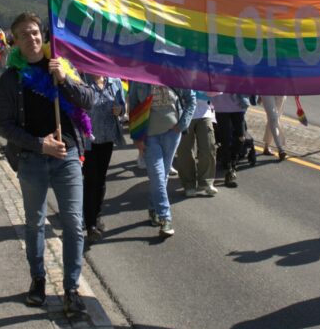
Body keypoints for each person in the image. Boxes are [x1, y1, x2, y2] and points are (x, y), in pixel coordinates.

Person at [0, 12, 94, 316]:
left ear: (43, 35)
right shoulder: (9, 79)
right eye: (24, 34)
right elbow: (5, 126)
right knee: (35, 223)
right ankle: (38, 280)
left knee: (74, 225)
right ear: (15, 41)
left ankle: (71, 289)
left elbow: (88, 101)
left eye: (36, 32)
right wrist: (40, 144)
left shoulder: (61, 67)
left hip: (67, 157)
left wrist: (64, 80)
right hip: (31, 159)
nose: (32, 38)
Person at [129, 82, 196, 237]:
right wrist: (136, 136)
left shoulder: (175, 72)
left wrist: (181, 125)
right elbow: (133, 105)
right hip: (149, 136)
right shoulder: (139, 76)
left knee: (163, 175)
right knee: (157, 175)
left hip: (172, 134)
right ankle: (166, 218)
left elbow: (191, 99)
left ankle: (153, 208)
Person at [81, 73, 126, 243]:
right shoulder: (81, 80)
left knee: (101, 179)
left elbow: (122, 106)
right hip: (87, 140)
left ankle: (97, 215)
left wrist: (120, 110)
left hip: (107, 138)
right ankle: (90, 223)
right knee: (91, 179)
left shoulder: (115, 81)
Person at [176, 91, 220, 198]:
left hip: (204, 113)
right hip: (184, 113)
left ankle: (206, 182)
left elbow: (217, 87)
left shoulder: (206, 73)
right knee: (184, 150)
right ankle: (189, 185)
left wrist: (213, 91)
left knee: (208, 146)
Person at [210, 93, 250, 187]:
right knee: (225, 140)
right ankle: (230, 169)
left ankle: (231, 161)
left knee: (241, 138)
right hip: (221, 106)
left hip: (238, 106)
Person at [260, 95, 287, 160]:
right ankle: (280, 148)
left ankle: (266, 147)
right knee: (273, 118)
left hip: (282, 91)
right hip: (267, 90)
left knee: (274, 120)